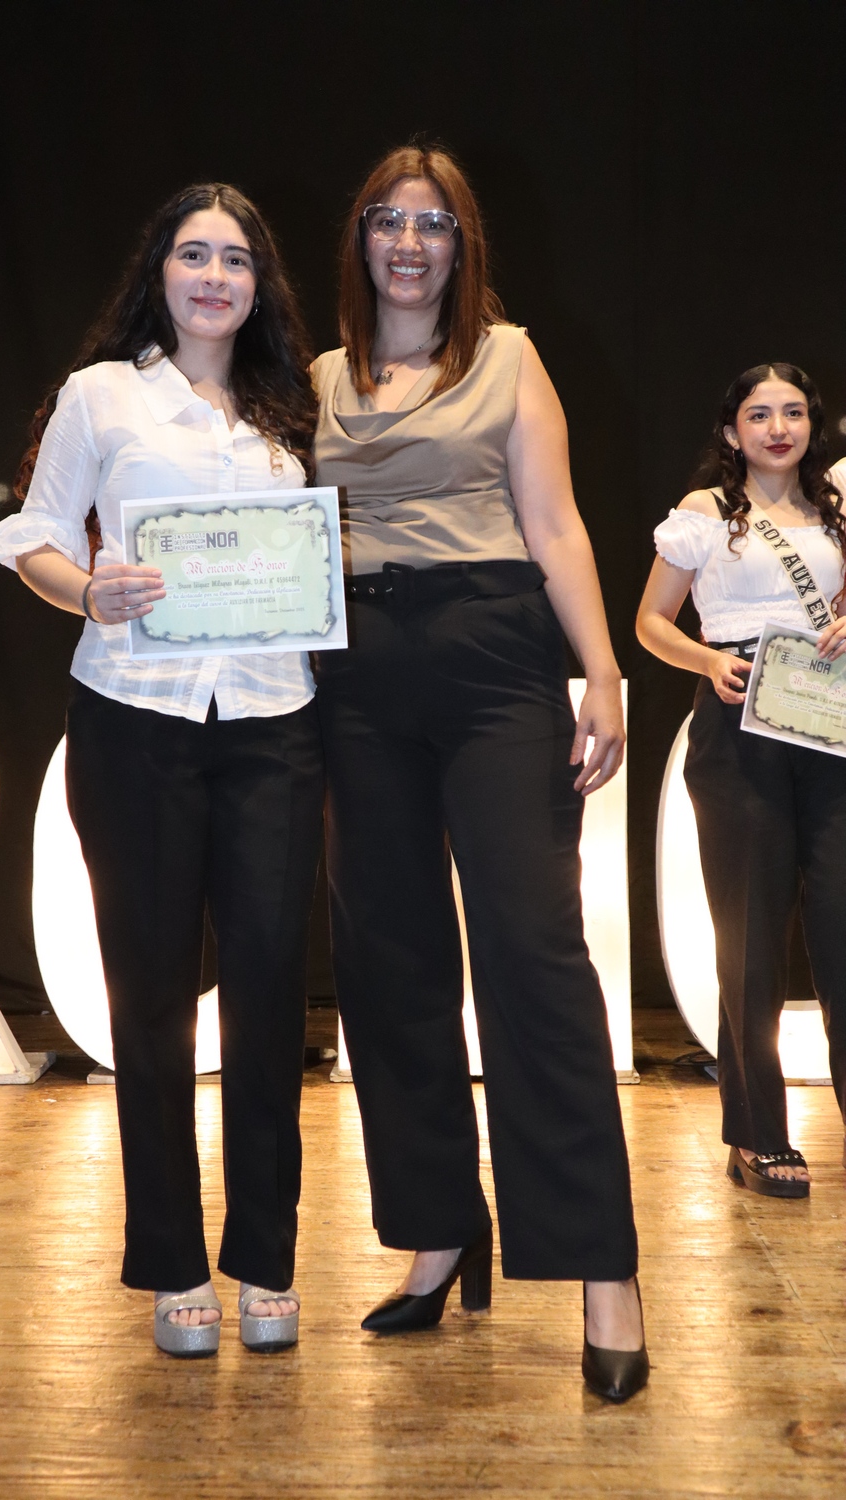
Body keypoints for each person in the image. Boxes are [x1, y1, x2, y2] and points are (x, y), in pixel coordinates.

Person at [311, 145, 648, 1402]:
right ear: (359, 239)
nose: (409, 243)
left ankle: (603, 1266)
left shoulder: (508, 357)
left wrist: (601, 672)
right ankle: (438, 1231)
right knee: (387, 961)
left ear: (462, 245)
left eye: (433, 224)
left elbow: (553, 521)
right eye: (387, 221)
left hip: (494, 655)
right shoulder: (316, 381)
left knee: (531, 952)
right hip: (353, 671)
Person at [0, 184, 324, 1356]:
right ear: (159, 270)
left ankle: (267, 1259)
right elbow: (30, 534)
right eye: (194, 254)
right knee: (149, 998)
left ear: (259, 283)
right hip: (135, 718)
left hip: (275, 720)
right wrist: (88, 590)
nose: (214, 276)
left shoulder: (293, 406)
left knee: (271, 989)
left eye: (236, 258)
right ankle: (175, 1265)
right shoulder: (101, 395)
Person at [637, 363, 846, 1199]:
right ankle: (759, 1137)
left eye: (793, 412)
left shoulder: (835, 510)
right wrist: (706, 660)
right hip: (739, 726)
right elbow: (650, 622)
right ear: (732, 431)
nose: (778, 428)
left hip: (828, 723)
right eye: (760, 415)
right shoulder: (704, 514)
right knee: (753, 939)